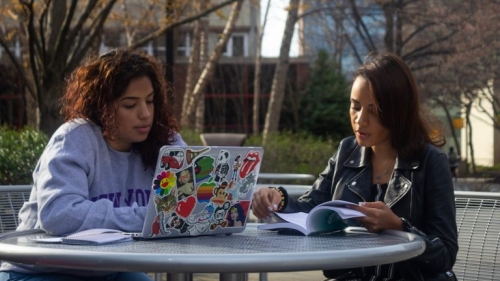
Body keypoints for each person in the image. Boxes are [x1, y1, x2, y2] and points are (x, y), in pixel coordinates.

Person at [252, 52, 458, 281]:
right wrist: (277, 198)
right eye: (355, 106)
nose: (360, 119)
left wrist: (400, 227)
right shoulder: (347, 152)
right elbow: (311, 208)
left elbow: (446, 253)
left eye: (373, 110)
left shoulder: (430, 162)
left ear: (398, 112)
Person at [0, 48, 186, 281]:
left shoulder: (164, 142)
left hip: (109, 269)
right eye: (130, 105)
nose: (145, 113)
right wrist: (149, 217)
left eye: (150, 101)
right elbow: (59, 215)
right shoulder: (74, 138)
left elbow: (192, 201)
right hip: (42, 270)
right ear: (102, 106)